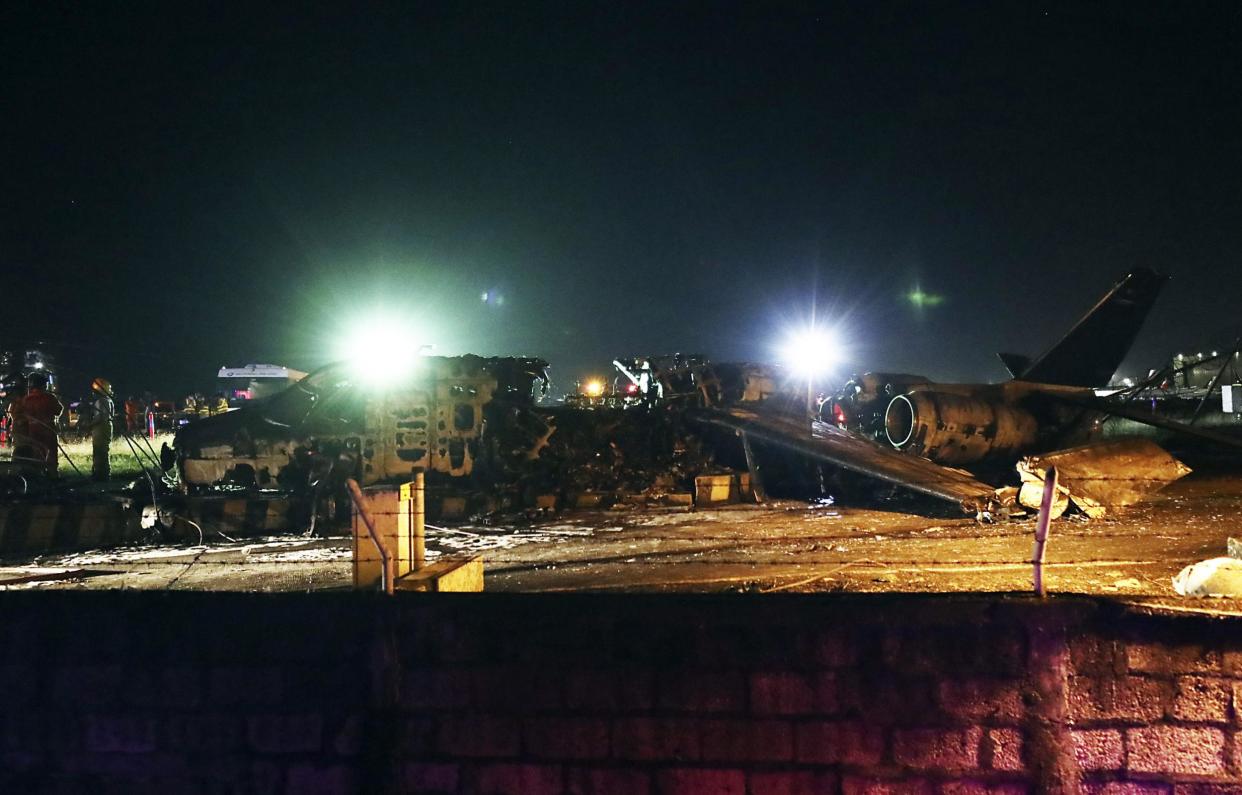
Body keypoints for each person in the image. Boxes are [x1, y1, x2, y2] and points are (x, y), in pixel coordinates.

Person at [16, 374, 64, 477]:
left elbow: (18, 414)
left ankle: (38, 474)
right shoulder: (49, 397)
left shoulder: (26, 399)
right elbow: (58, 410)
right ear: (43, 385)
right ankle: (52, 474)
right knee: (51, 452)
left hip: (33, 430)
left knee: (37, 452)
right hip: (48, 430)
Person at [87, 377, 115, 481]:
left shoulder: (101, 401)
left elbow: (100, 417)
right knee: (103, 451)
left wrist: (89, 425)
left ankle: (101, 474)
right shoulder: (108, 400)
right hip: (106, 427)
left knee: (100, 451)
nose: (93, 393)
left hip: (101, 428)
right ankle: (103, 473)